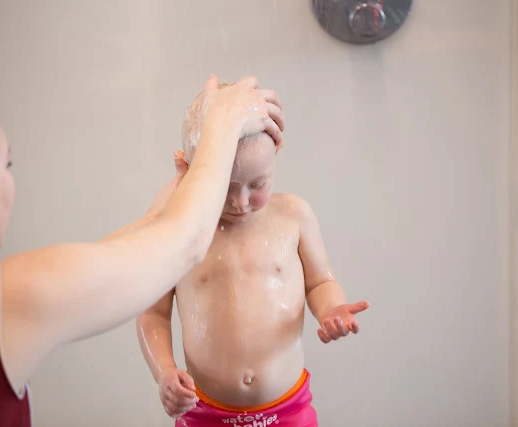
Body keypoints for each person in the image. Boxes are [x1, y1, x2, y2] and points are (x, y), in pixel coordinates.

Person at [0, 75, 285, 427]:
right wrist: (220, 128)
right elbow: (188, 242)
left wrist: (181, 191)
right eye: (6, 166)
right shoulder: (1, 299)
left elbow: (112, 254)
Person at [136, 83, 370, 427]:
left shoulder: (294, 215)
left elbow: (320, 281)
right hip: (204, 413)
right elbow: (152, 313)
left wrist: (331, 308)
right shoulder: (180, 231)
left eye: (258, 184)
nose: (241, 202)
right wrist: (165, 372)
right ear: (187, 168)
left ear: (277, 150)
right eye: (224, 187)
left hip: (288, 409)